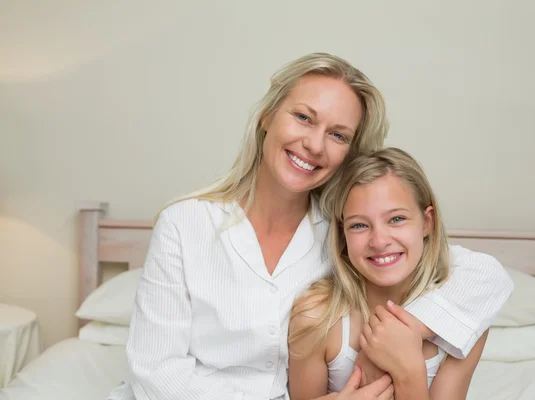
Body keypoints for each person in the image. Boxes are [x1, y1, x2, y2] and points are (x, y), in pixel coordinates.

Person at [107, 52, 513, 400]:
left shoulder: (345, 232)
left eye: (337, 135)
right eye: (303, 117)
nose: (315, 145)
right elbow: (156, 374)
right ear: (267, 115)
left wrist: (402, 335)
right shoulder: (185, 223)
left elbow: (483, 276)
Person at [288, 147, 489, 400]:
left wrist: (408, 374)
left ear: (427, 223)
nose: (379, 241)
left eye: (396, 219)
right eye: (359, 225)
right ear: (343, 234)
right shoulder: (316, 318)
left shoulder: (464, 319)